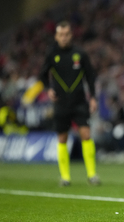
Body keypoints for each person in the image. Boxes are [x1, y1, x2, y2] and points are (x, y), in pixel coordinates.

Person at [39, 21, 101, 186]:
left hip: (79, 101)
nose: (64, 38)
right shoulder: (51, 54)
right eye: (61, 35)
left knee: (86, 135)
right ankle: (65, 177)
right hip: (61, 103)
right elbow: (42, 75)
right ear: (56, 36)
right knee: (62, 138)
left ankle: (92, 175)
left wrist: (93, 97)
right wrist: (48, 89)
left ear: (71, 35)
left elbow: (90, 76)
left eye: (67, 34)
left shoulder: (80, 53)